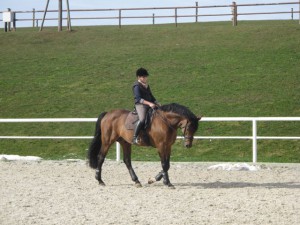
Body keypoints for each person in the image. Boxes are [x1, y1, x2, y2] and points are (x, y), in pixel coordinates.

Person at [132, 67, 160, 144]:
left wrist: (156, 102)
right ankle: (135, 137)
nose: (145, 78)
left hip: (149, 105)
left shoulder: (146, 85)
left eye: (146, 77)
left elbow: (151, 96)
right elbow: (138, 98)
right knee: (142, 119)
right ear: (139, 77)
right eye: (143, 77)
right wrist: (150, 103)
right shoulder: (136, 86)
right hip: (140, 105)